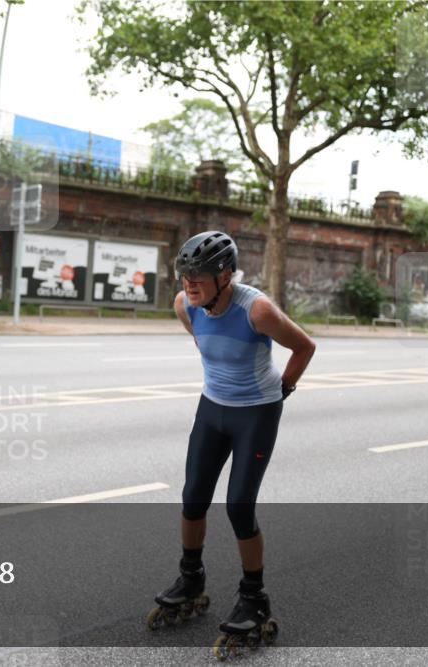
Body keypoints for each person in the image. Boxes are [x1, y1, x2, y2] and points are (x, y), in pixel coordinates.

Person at [149, 231, 315, 649]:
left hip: (255, 414)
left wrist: (283, 391)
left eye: (198, 277)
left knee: (239, 506)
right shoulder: (186, 305)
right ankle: (190, 579)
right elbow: (206, 342)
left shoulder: (257, 310)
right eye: (184, 276)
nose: (189, 285)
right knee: (193, 498)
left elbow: (305, 347)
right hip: (212, 408)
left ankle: (254, 598)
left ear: (225, 276)